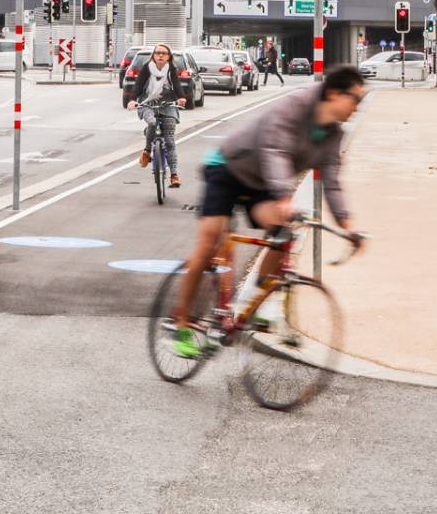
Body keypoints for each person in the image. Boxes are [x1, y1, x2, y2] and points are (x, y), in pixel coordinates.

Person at [167, 66, 368, 360]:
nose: (357, 107)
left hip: (262, 183)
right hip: (229, 168)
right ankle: (181, 323)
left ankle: (252, 300)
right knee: (209, 241)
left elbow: (332, 182)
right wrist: (284, 196)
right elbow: (276, 150)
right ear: (335, 94)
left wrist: (348, 225)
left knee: (285, 231)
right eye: (355, 99)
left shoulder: (332, 134)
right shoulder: (296, 106)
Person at [124, 43, 185, 188]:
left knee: (169, 140)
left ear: (168, 57)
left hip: (168, 104)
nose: (160, 55)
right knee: (151, 123)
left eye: (164, 53)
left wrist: (181, 98)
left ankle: (174, 175)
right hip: (147, 103)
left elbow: (177, 85)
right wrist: (132, 100)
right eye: (158, 53)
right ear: (153, 55)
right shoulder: (147, 68)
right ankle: (147, 150)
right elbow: (138, 85)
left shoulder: (171, 69)